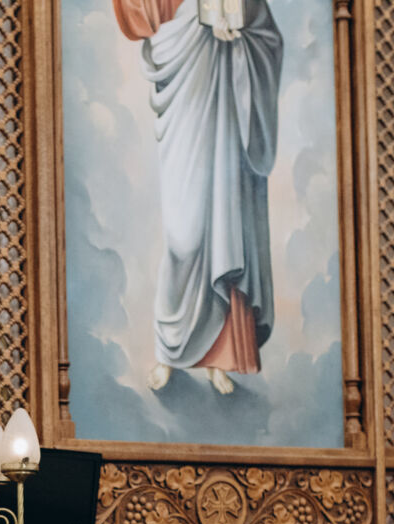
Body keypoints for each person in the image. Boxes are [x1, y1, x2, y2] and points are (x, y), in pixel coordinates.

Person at [115, 0, 281, 395]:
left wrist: (241, 36)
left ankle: (220, 358)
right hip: (186, 91)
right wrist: (192, 20)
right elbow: (141, 15)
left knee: (225, 225)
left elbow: (267, 35)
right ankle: (170, 351)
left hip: (228, 101)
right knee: (184, 235)